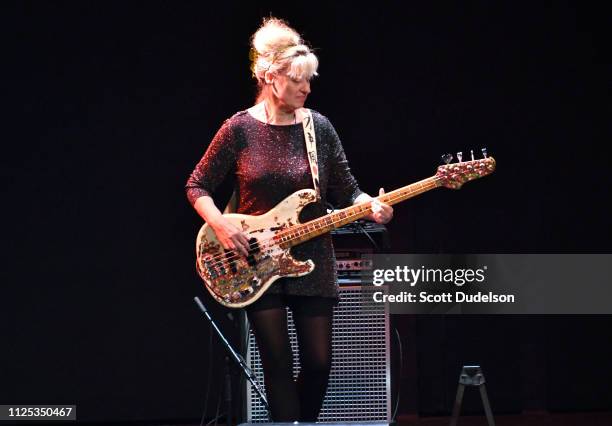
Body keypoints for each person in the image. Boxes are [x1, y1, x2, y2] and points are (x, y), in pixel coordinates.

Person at [185, 17, 393, 422]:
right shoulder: (239, 129)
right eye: (298, 80)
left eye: (310, 80)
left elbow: (348, 188)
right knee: (277, 368)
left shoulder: (320, 128)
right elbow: (197, 185)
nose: (307, 88)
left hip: (313, 256)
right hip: (256, 260)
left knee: (318, 365)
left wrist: (371, 204)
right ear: (270, 77)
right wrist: (222, 225)